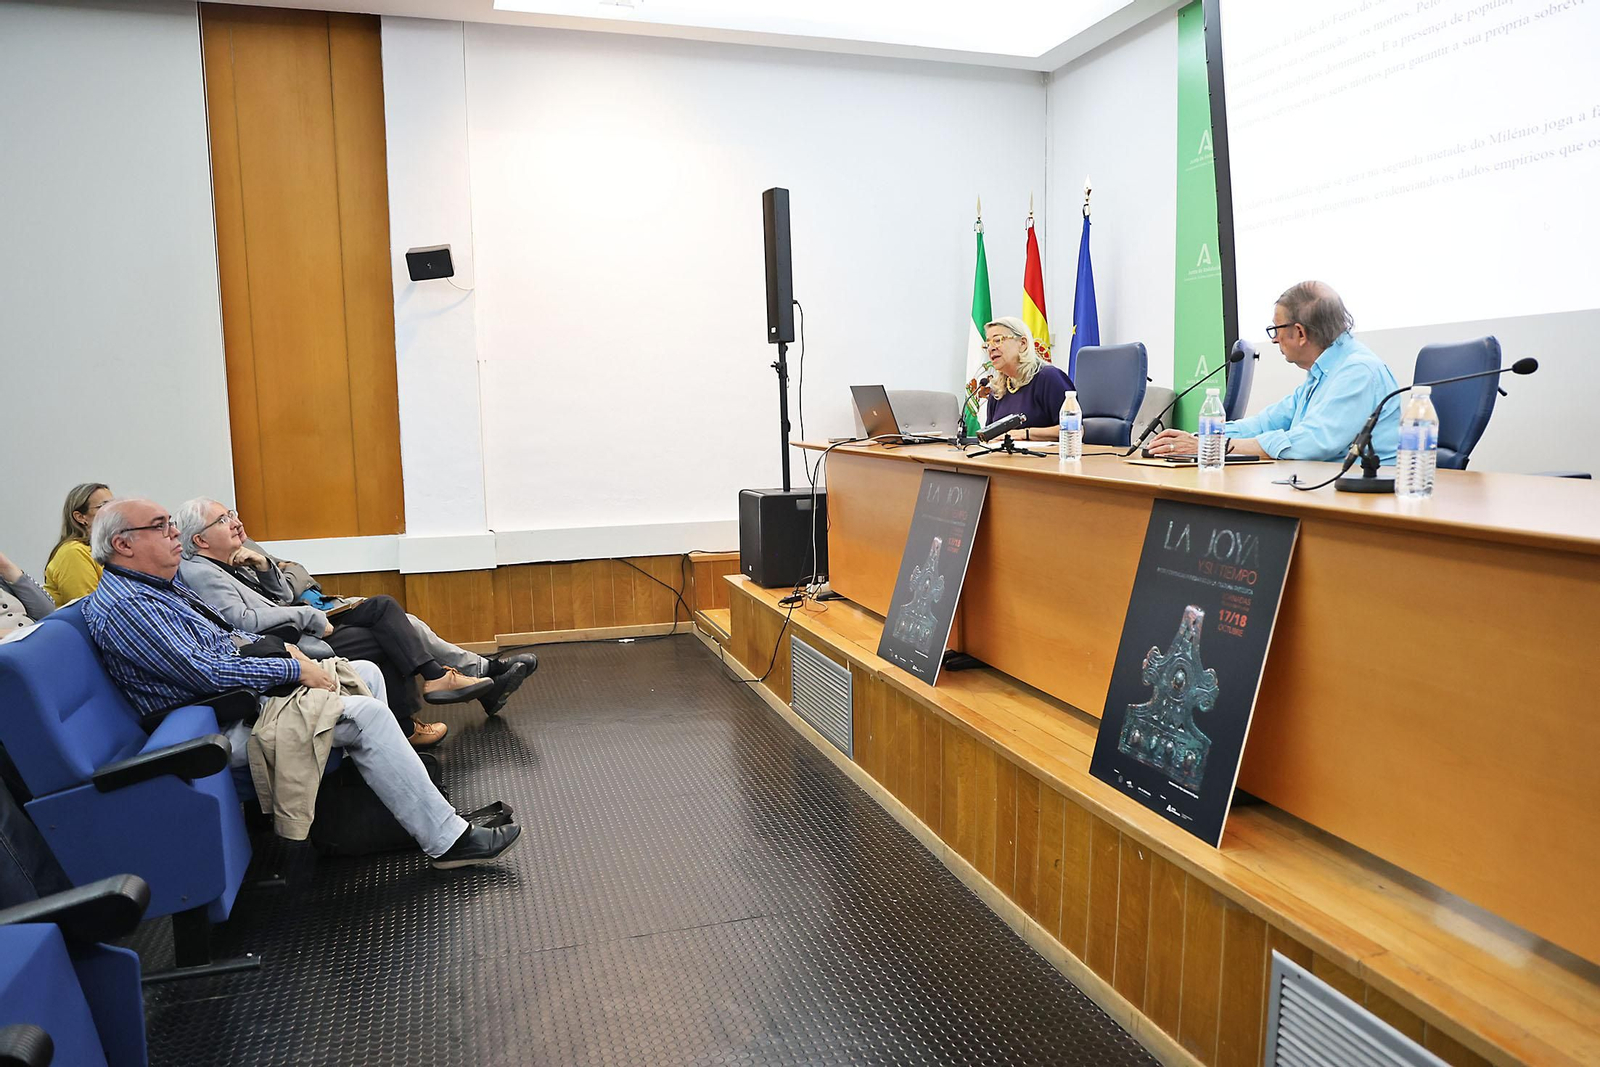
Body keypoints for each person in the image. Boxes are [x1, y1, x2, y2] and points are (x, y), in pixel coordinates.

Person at [80, 498, 520, 869]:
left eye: (171, 524)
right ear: (123, 544)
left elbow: (229, 634)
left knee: (363, 672)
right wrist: (294, 669)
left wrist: (285, 651)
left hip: (240, 699)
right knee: (363, 715)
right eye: (160, 527)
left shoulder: (160, 587)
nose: (173, 533)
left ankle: (380, 810)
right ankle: (447, 841)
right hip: (216, 723)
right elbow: (206, 673)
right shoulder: (129, 605)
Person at [173, 498, 512, 748]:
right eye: (222, 520)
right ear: (200, 541)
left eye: (231, 513)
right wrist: (308, 615)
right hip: (293, 641)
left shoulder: (237, 553)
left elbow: (285, 595)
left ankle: (433, 685)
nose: (234, 522)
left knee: (382, 609)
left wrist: (263, 565)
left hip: (306, 619)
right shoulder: (201, 572)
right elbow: (244, 621)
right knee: (385, 637)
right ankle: (414, 715)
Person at [1148, 281, 1400, 462]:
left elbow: (1308, 444)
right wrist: (1201, 438)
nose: (1273, 340)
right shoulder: (1323, 372)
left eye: (1275, 329)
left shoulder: (1358, 371)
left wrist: (1214, 446)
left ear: (1300, 333)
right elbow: (1267, 422)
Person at [981, 317, 1073, 442]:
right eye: (987, 344)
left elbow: (1073, 428)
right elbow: (991, 436)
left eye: (997, 340)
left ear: (1022, 343)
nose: (991, 348)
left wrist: (1024, 434)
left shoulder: (1048, 378)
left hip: (1044, 460)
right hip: (1002, 459)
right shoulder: (997, 390)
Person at [43, 483, 112, 605]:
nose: (114, 511)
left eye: (114, 505)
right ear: (80, 517)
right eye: (104, 506)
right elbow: (89, 610)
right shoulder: (74, 552)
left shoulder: (109, 550)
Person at [1, 548, 54, 633]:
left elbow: (47, 612)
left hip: (37, 635)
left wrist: (6, 566)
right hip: (15, 642)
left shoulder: (3, 579)